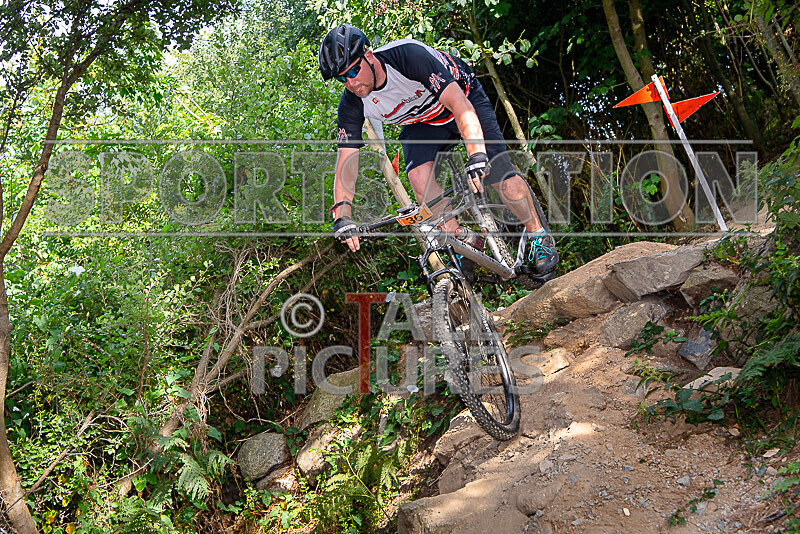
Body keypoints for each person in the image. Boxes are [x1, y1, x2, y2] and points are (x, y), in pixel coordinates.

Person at [319, 24, 558, 277]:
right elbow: (347, 161)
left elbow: (459, 105)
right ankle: (463, 241)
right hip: (422, 122)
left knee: (497, 173)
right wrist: (343, 216)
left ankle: (538, 236)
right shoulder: (351, 104)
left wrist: (477, 154)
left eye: (354, 70)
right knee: (418, 178)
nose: (351, 82)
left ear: (368, 56)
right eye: (342, 78)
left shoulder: (407, 56)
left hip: (462, 99)